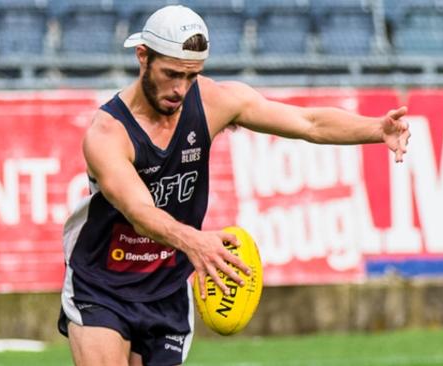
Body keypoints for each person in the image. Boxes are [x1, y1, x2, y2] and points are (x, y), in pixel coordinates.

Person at [58, 5, 410, 366]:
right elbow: (139, 212)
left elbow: (309, 123)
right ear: (142, 56)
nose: (181, 89)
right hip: (101, 282)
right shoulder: (107, 134)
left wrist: (374, 129)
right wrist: (195, 241)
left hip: (167, 285)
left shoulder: (212, 102)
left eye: (191, 76)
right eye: (171, 74)